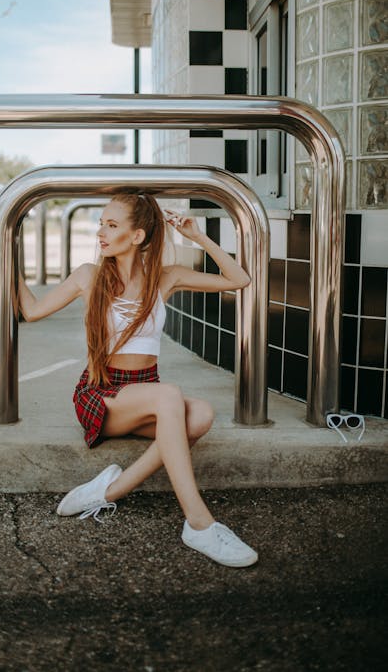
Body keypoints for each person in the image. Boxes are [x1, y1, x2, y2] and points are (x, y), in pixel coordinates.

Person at [18, 191, 257, 568]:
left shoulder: (165, 278)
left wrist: (198, 236)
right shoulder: (88, 276)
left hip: (144, 394)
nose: (101, 232)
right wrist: (6, 259)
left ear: (137, 236)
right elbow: (31, 311)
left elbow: (239, 279)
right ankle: (199, 523)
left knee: (202, 415)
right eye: (101, 223)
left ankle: (109, 490)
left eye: (111, 225)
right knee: (170, 397)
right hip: (101, 395)